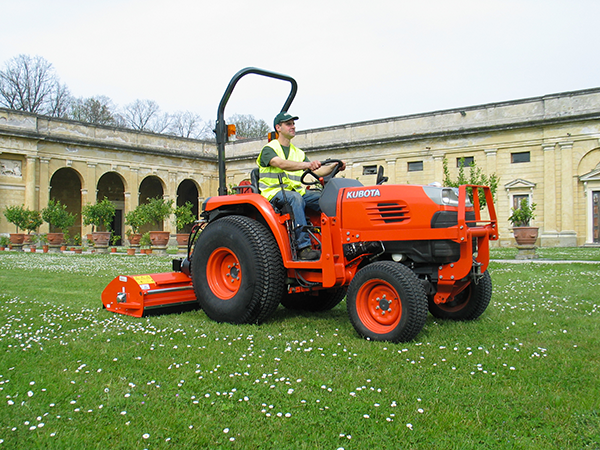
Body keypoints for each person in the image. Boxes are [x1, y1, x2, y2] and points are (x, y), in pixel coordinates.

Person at [256, 112, 345, 260]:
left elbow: (320, 171)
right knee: (296, 199)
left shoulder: (298, 153)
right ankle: (304, 248)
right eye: (288, 124)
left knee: (328, 199)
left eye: (293, 124)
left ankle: (339, 242)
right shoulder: (269, 149)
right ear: (278, 127)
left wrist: (335, 166)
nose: (293, 127)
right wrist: (307, 164)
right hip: (274, 194)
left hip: (296, 192)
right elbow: (280, 163)